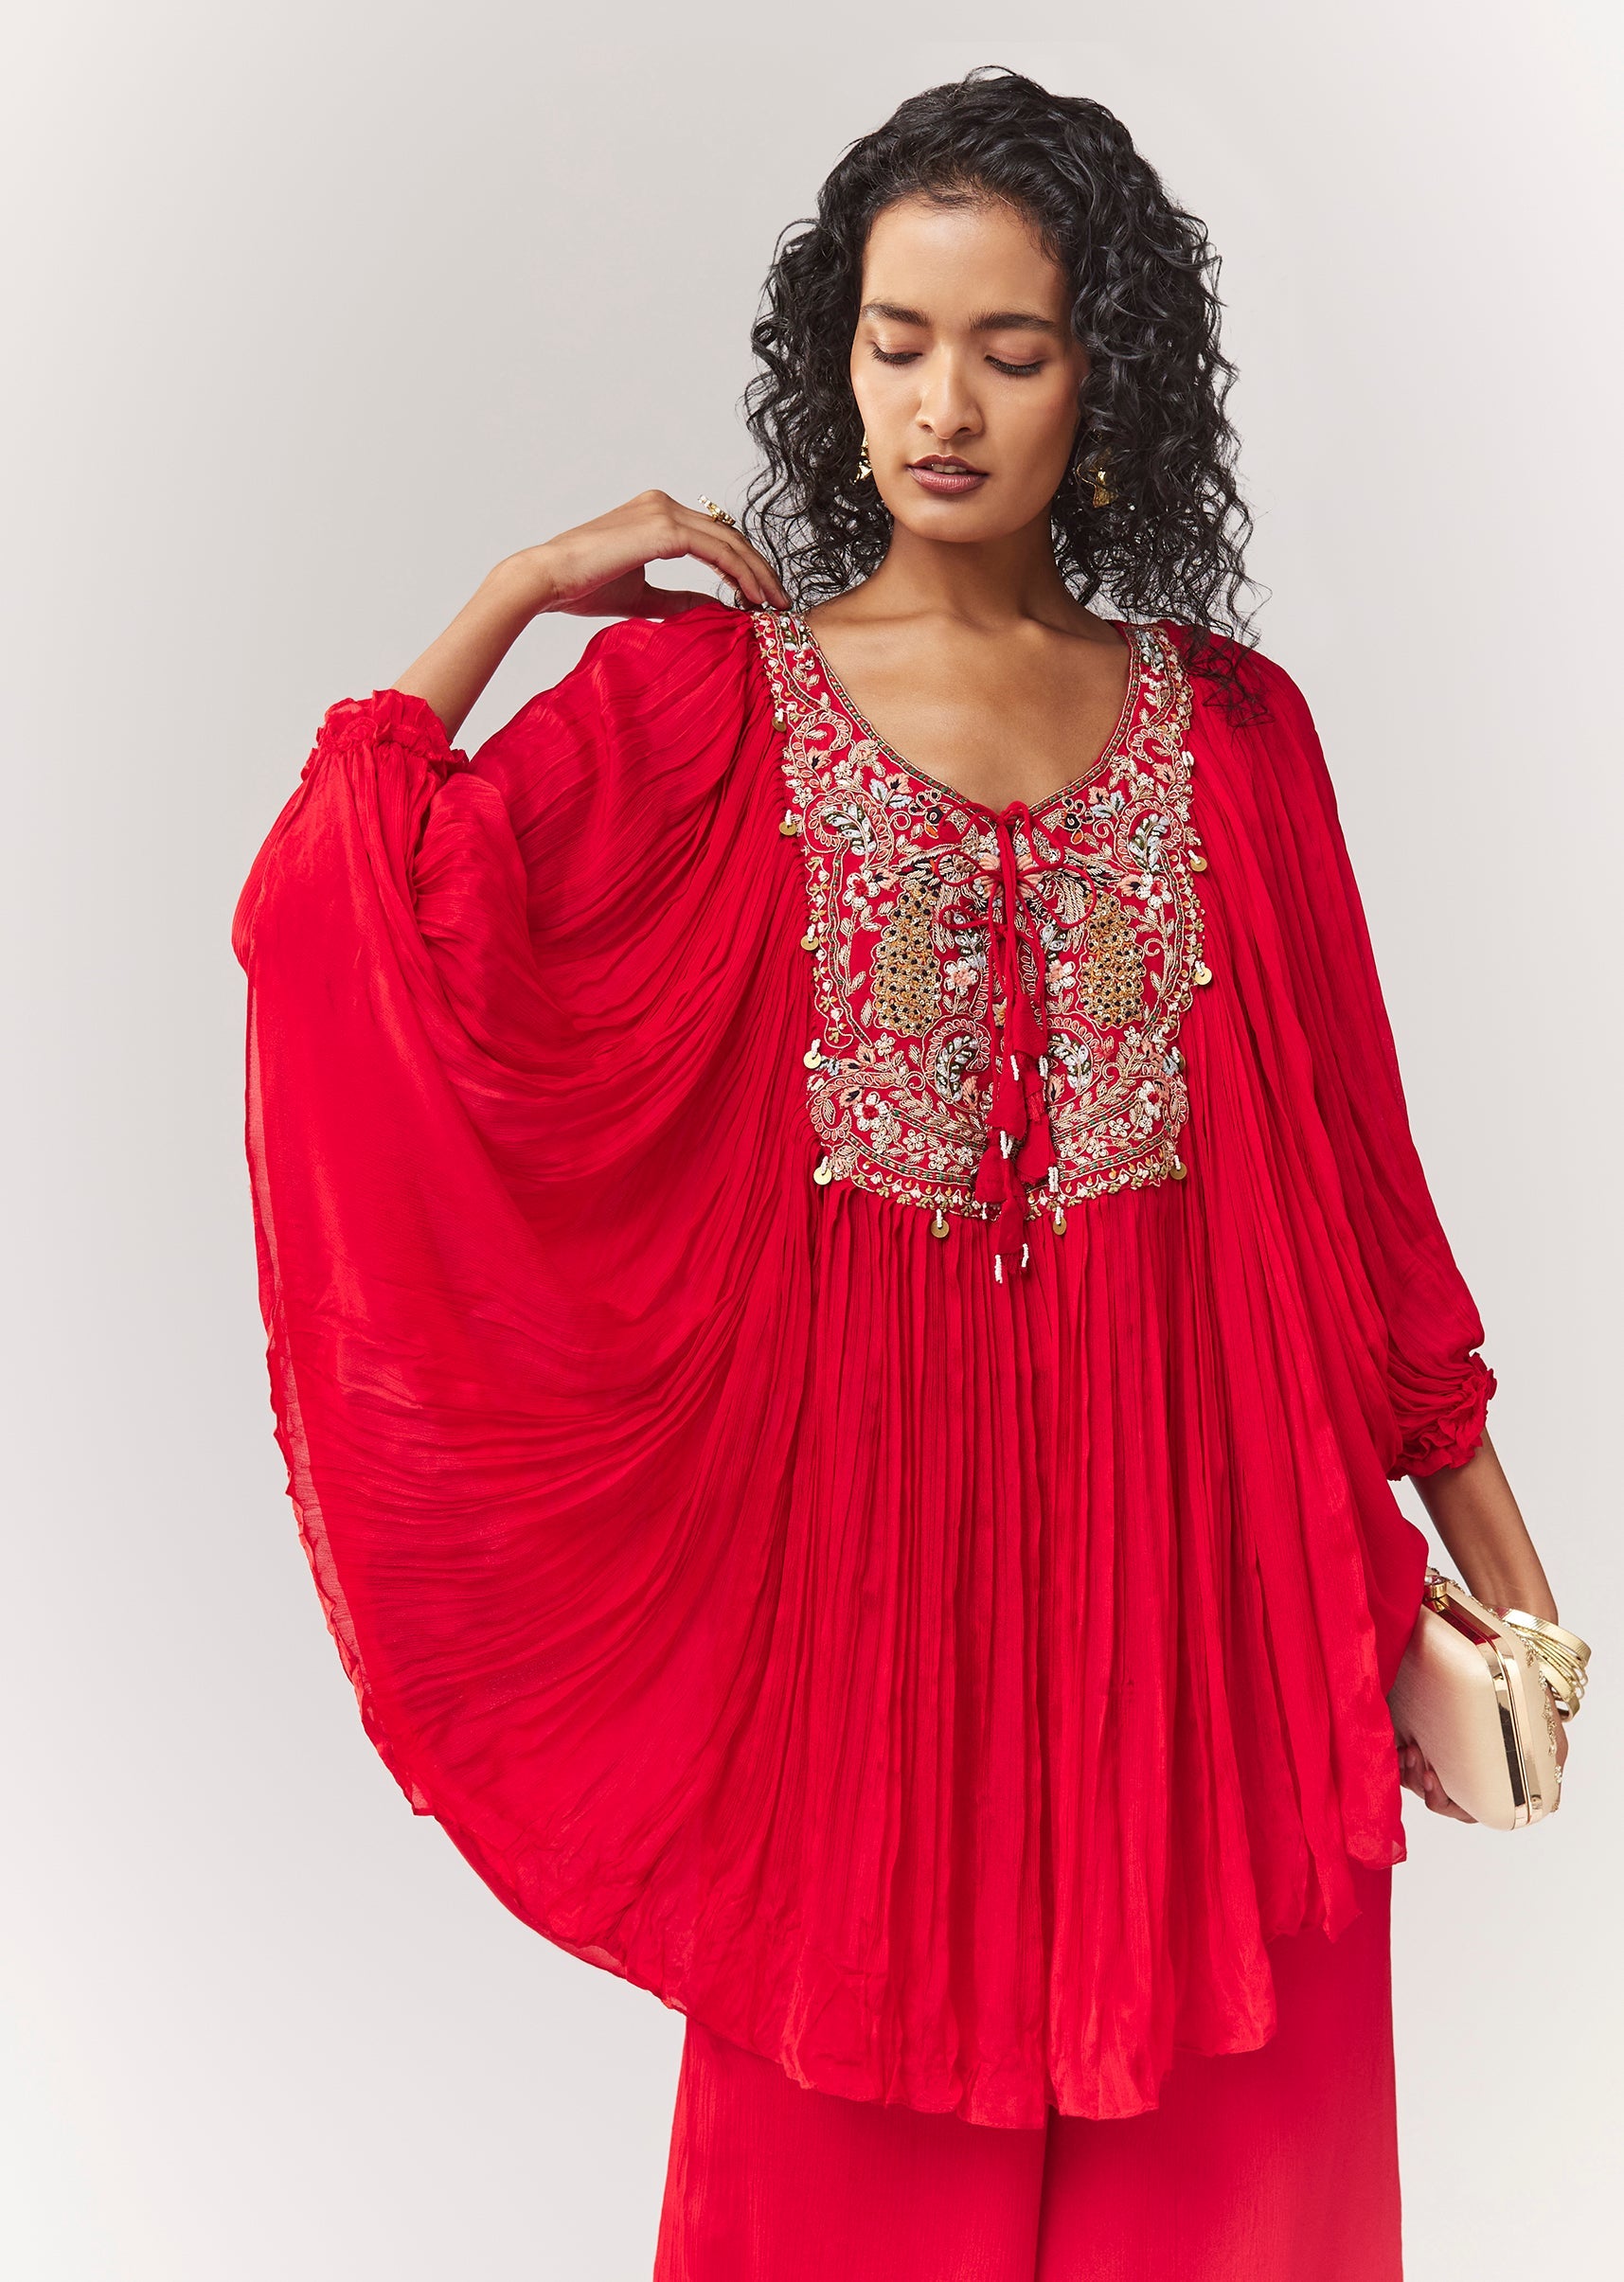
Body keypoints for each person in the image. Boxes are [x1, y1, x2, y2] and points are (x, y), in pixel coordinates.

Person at [233, 66, 1579, 2281]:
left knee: (1240, 2220)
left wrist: (1511, 1587)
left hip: (1216, 1625)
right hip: (874, 1649)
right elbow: (339, 902)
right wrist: (522, 588)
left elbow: (1366, 1211)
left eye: (1009, 351)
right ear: (834, 357)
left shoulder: (1242, 738)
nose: (941, 406)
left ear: (1102, 376)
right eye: (896, 341)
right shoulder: (710, 721)